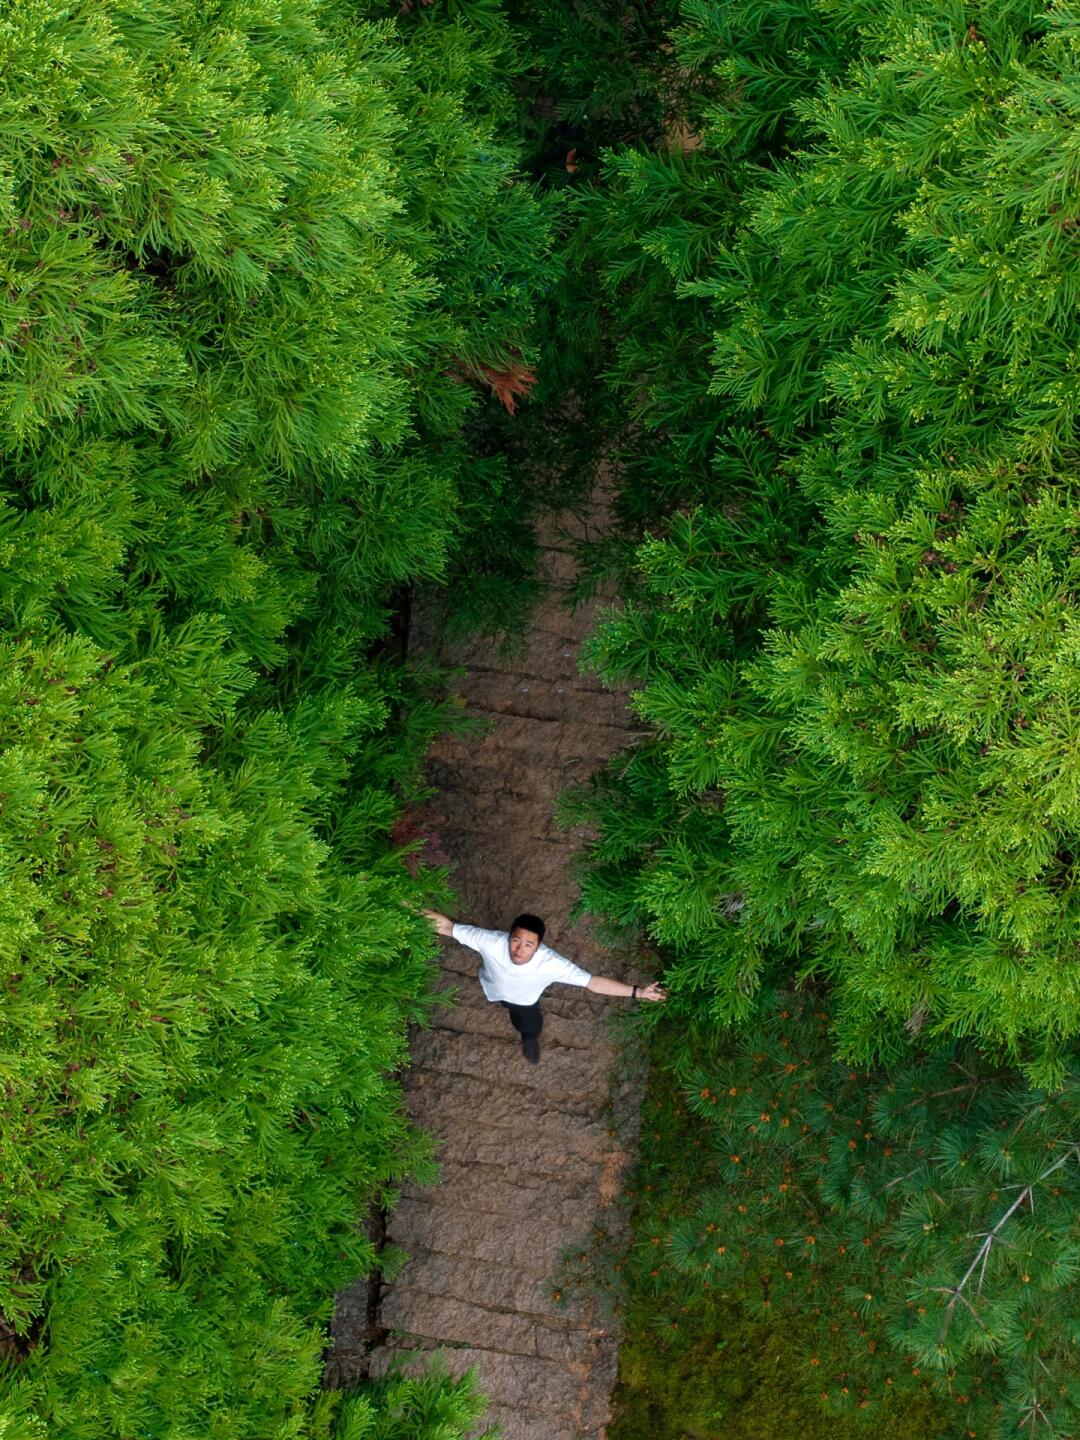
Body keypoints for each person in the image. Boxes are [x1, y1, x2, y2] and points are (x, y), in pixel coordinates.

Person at [421, 908, 666, 1065]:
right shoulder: (491, 941)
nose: (519, 950)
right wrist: (403, 905)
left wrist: (638, 992)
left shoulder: (551, 964)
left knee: (526, 1023)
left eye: (528, 945)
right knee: (503, 1001)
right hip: (493, 988)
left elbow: (593, 983)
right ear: (509, 937)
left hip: (525, 1002)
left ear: (538, 947)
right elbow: (446, 927)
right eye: (516, 941)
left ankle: (529, 1038)